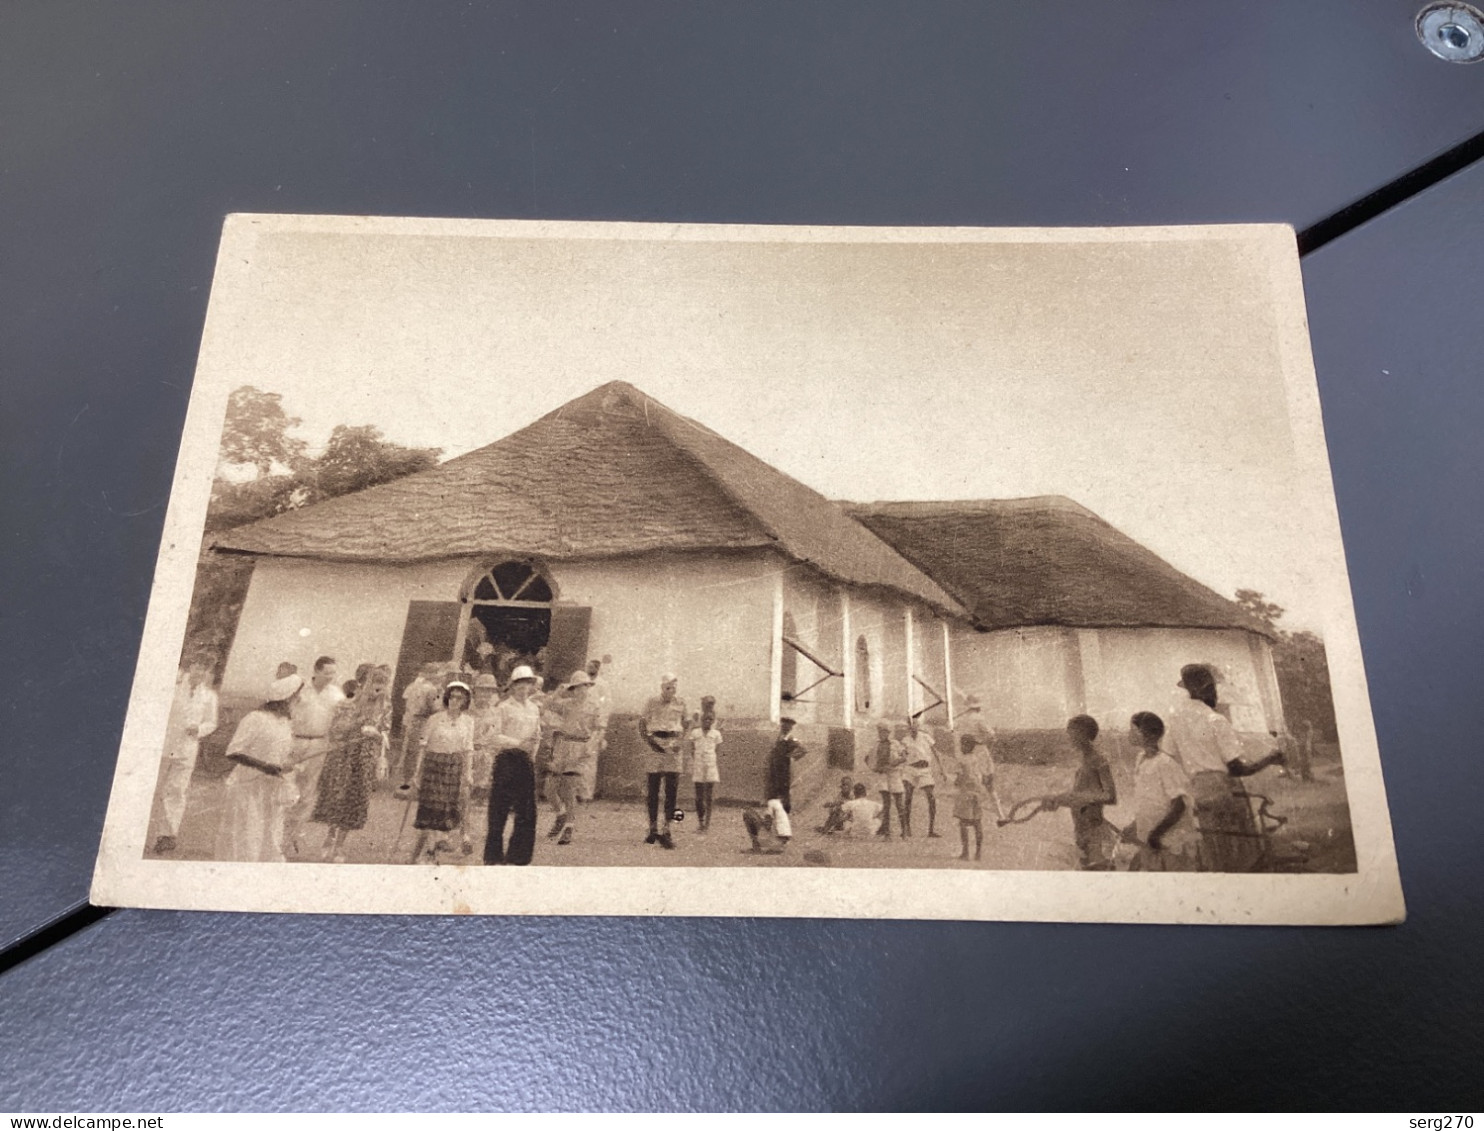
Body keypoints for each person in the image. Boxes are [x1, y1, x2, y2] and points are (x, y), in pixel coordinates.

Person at [1165, 663, 1286, 871]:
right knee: (1239, 846)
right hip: (1220, 788)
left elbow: (1169, 756)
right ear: (1209, 689)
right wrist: (1271, 758)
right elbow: (1238, 768)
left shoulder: (1175, 719)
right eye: (1212, 688)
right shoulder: (1216, 720)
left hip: (1196, 790)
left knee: (1213, 844)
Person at [216, 673, 301, 862]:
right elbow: (233, 751)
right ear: (287, 698)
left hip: (271, 788)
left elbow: (281, 751)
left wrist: (288, 763)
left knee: (270, 836)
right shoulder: (255, 718)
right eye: (296, 697)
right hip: (247, 786)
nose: (299, 700)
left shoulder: (285, 722)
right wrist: (265, 767)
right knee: (247, 836)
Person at [311, 664, 392, 862]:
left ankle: (340, 846)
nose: (378, 688)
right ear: (363, 684)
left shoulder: (385, 707)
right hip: (343, 756)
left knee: (355, 800)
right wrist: (357, 725)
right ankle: (329, 839)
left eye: (382, 684)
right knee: (338, 796)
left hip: (364, 758)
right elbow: (335, 730)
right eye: (375, 683)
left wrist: (377, 735)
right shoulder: (347, 704)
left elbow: (385, 733)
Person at [152, 655, 219, 855]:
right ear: (191, 667)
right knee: (155, 788)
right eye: (198, 667)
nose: (200, 673)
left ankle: (167, 835)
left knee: (177, 790)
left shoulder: (209, 696)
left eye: (205, 670)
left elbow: (211, 722)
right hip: (164, 746)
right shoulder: (172, 689)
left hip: (187, 749)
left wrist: (198, 729)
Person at [283, 656, 345, 857]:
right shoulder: (300, 689)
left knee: (308, 791)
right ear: (316, 671)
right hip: (295, 741)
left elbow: (341, 720)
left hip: (319, 743)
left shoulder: (337, 694)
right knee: (286, 786)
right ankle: (277, 831)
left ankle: (294, 834)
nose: (330, 677)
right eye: (327, 672)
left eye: (333, 673)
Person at [408, 680, 476, 863]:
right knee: (430, 809)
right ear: (447, 698)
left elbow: (468, 749)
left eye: (459, 698)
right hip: (433, 764)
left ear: (465, 701)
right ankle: (430, 851)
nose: (455, 701)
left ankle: (429, 852)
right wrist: (417, 773)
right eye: (452, 696)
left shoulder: (468, 722)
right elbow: (423, 746)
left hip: (454, 766)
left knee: (444, 812)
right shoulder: (435, 719)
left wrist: (468, 773)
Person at [484, 665, 543, 866]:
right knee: (499, 809)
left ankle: (518, 856)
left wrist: (531, 752)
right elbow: (494, 736)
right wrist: (517, 743)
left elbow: (537, 734)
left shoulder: (534, 708)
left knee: (526, 811)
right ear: (512, 686)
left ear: (531, 686)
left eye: (527, 683)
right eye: (519, 684)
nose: (523, 688)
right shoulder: (503, 708)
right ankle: (493, 856)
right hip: (506, 760)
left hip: (525, 761)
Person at [1043, 715, 1119, 870]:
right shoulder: (1084, 761)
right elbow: (1080, 795)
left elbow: (1110, 796)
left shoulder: (1099, 760)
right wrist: (1057, 799)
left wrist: (1079, 797)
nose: (1069, 737)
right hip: (1081, 831)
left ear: (1084, 735)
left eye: (1073, 733)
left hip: (1094, 833)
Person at [1127, 711, 1198, 871]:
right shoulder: (1141, 759)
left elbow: (1179, 805)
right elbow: (1148, 801)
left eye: (1133, 730)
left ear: (1146, 734)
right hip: (1151, 840)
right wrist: (1135, 826)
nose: (1129, 734)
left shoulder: (1165, 764)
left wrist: (1156, 833)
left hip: (1169, 840)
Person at [544, 669, 601, 845]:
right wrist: (557, 693)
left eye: (583, 687)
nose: (579, 691)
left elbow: (598, 729)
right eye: (576, 688)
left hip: (580, 748)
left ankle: (569, 825)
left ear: (587, 687)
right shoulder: (566, 704)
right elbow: (547, 705)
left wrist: (591, 746)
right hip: (563, 746)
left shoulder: (594, 707)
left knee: (569, 789)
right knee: (549, 788)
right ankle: (561, 814)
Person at [637, 673, 689, 849]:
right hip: (655, 744)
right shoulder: (651, 702)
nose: (671, 691)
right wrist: (650, 742)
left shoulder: (681, 702)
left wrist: (680, 743)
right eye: (667, 688)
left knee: (672, 789)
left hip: (674, 745)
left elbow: (687, 724)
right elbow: (642, 724)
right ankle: (652, 828)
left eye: (673, 688)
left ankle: (667, 829)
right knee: (653, 788)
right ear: (661, 688)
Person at [956, 693, 1005, 820]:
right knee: (989, 785)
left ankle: (969, 815)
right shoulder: (979, 718)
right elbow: (992, 736)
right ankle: (1000, 815)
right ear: (978, 707)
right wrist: (983, 741)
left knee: (970, 785)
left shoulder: (961, 720)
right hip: (980, 753)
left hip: (966, 754)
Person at [397, 661, 444, 792]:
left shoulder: (415, 686)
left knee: (411, 752)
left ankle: (406, 781)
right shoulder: (431, 689)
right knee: (420, 752)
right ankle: (415, 783)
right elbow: (433, 708)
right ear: (433, 675)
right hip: (424, 721)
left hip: (413, 721)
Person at [950, 734, 994, 861]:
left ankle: (965, 853)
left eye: (962, 744)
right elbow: (982, 776)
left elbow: (959, 779)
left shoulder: (961, 760)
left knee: (963, 823)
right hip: (978, 792)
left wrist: (954, 782)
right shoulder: (976, 759)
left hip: (966, 793)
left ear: (965, 745)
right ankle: (978, 853)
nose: (960, 747)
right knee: (977, 822)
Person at [900, 715, 942, 838]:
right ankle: (907, 828)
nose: (914, 727)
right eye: (911, 724)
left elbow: (935, 753)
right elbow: (902, 755)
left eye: (916, 724)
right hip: (910, 770)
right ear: (908, 726)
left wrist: (942, 769)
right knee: (908, 798)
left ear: (918, 726)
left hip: (925, 770)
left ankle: (931, 830)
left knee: (931, 797)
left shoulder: (926, 737)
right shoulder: (905, 740)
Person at [686, 696, 723, 832]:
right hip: (699, 763)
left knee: (709, 795)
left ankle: (707, 823)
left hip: (710, 764)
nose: (709, 705)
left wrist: (709, 759)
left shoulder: (715, 730)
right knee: (699, 795)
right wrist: (698, 759)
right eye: (707, 703)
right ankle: (700, 822)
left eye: (712, 704)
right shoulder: (697, 717)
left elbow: (717, 749)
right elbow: (692, 748)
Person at [581, 657, 612, 803]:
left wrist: (601, 728)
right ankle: (574, 792)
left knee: (590, 760)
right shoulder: (581, 681)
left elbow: (605, 706)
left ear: (597, 669)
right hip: (580, 724)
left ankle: (587, 794)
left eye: (592, 667)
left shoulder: (602, 685)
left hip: (595, 726)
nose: (589, 669)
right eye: (587, 666)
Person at [870, 722, 907, 837]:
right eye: (880, 731)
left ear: (888, 733)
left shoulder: (895, 743)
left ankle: (904, 832)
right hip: (883, 776)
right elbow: (869, 759)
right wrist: (875, 768)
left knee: (899, 804)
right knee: (886, 805)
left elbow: (904, 757)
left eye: (884, 731)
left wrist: (893, 764)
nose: (882, 734)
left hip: (895, 775)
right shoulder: (876, 745)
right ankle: (887, 833)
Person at [468, 673, 501, 801]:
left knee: (478, 790)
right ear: (475, 691)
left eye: (489, 691)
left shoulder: (495, 712)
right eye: (482, 690)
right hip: (465, 754)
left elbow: (495, 735)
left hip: (484, 756)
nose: (486, 695)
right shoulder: (465, 709)